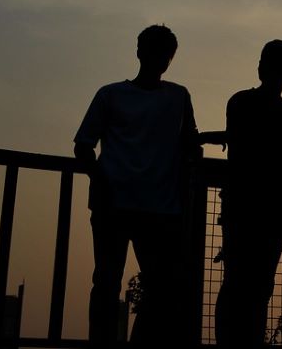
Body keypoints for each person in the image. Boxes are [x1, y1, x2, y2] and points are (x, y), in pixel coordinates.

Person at [74, 24, 199, 348]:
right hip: (126, 204)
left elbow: (190, 145)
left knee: (138, 285)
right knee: (117, 282)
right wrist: (100, 181)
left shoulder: (176, 96)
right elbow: (83, 147)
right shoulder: (113, 94)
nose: (161, 58)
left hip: (152, 206)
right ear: (142, 52)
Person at [204, 39, 282, 349]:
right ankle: (248, 341)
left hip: (247, 203)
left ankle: (235, 341)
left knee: (241, 281)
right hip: (267, 205)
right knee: (256, 283)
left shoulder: (240, 102)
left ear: (261, 67)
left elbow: (242, 142)